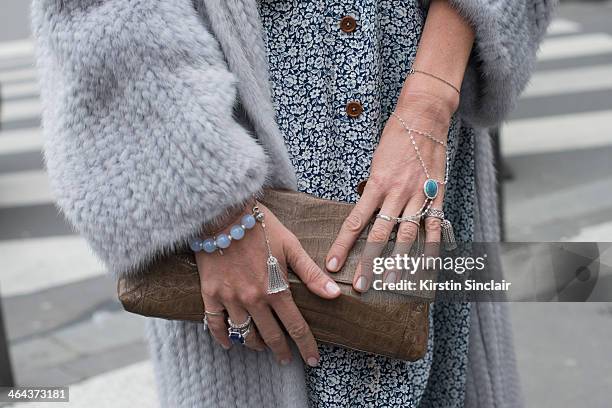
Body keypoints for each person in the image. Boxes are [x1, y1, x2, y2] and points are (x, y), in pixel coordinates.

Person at [32, 0, 554, 406]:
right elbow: (97, 15)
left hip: (421, 109)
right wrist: (216, 209)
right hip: (247, 131)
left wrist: (432, 99)